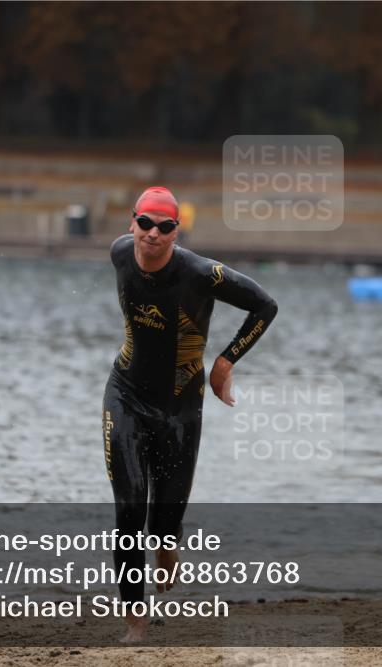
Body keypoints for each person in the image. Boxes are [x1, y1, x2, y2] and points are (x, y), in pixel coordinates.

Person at [103, 186, 277, 642]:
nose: (152, 235)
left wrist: (224, 364)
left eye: (164, 227)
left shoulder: (202, 274)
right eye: (145, 224)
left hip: (181, 408)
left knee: (163, 524)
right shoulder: (120, 253)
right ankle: (136, 622)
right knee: (129, 509)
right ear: (132, 223)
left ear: (176, 232)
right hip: (125, 394)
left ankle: (166, 547)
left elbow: (265, 305)